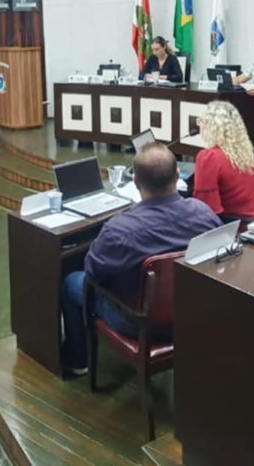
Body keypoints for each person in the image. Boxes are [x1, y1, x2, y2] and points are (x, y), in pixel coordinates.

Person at [60, 143, 221, 373]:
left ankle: (78, 361)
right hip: (190, 314)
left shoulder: (119, 230)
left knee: (72, 282)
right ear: (177, 176)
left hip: (136, 321)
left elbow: (92, 272)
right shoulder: (203, 212)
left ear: (135, 183)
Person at [193, 102, 254, 224]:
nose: (199, 125)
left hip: (236, 227)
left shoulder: (209, 157)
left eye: (201, 120)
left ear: (212, 126)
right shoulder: (243, 151)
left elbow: (206, 208)